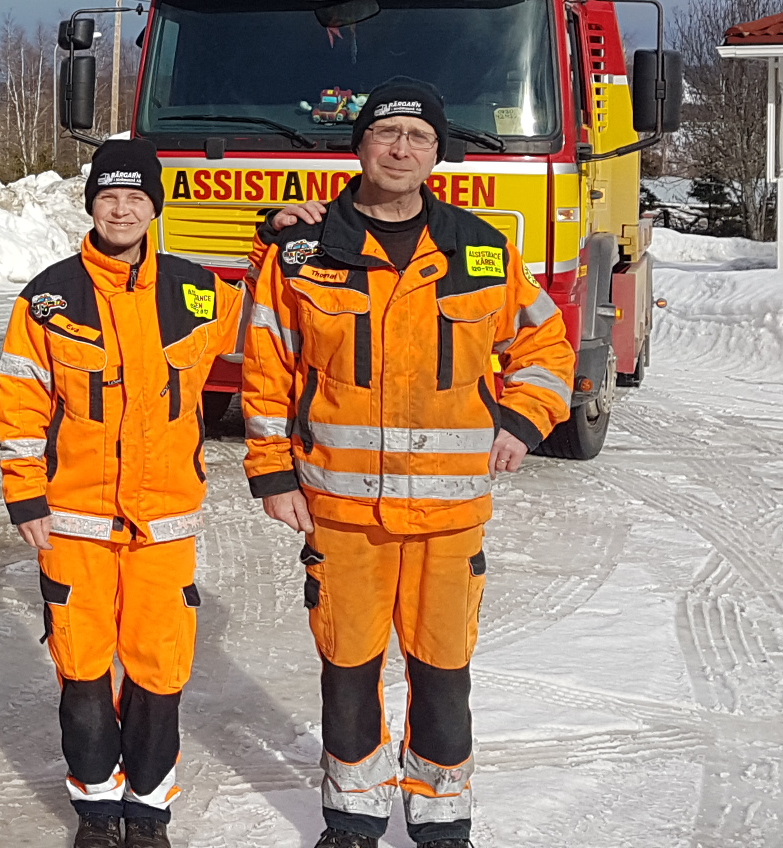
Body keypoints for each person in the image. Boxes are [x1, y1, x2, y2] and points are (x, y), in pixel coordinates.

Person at [241, 78, 575, 848]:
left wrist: (523, 421)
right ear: (360, 147)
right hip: (343, 514)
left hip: (450, 518)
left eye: (418, 138)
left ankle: (440, 818)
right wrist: (271, 472)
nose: (401, 149)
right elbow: (267, 366)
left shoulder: (483, 250)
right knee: (349, 675)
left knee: (442, 677)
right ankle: (354, 818)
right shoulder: (303, 250)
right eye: (386, 134)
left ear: (438, 155)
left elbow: (547, 346)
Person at [0, 138, 244, 848]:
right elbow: (19, 404)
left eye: (137, 197)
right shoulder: (49, 297)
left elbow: (267, 320)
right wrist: (27, 498)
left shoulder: (195, 291)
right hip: (75, 520)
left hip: (165, 523)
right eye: (110, 196)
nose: (123, 209)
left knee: (160, 666)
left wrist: (285, 240)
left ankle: (149, 811)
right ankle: (98, 811)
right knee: (82, 666)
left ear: (154, 207)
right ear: (92, 204)